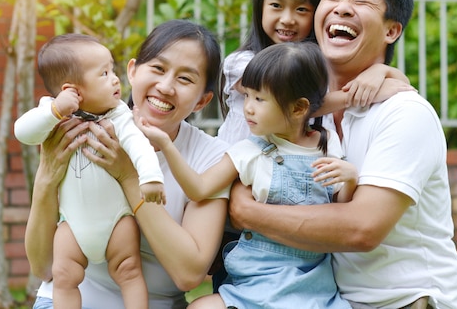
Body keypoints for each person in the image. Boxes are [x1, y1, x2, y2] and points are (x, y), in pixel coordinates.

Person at [228, 0, 457, 309]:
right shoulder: (304, 115)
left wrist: (247, 213)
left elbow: (362, 228)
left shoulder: (404, 114)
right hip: (325, 299)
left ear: (391, 30)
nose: (342, 9)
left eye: (360, 1)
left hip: (400, 301)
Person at [24, 20, 230, 309]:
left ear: (201, 101)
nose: (166, 86)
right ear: (132, 71)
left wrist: (128, 177)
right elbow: (43, 267)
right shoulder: (78, 129)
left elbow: (189, 273)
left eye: (185, 79)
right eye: (158, 69)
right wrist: (46, 177)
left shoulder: (211, 158)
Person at [135, 42, 354, 309]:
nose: (248, 107)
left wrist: (350, 178)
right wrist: (167, 146)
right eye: (247, 95)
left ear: (298, 109)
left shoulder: (326, 143)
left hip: (312, 282)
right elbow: (199, 189)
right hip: (255, 281)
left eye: (259, 99)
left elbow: (341, 206)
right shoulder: (248, 151)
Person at [16, 34, 165, 309]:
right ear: (73, 90)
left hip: (117, 219)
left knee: (129, 271)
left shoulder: (118, 114)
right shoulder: (53, 114)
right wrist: (55, 112)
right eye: (104, 73)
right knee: (64, 275)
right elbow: (23, 132)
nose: (115, 79)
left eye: (113, 70)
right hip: (72, 223)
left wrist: (151, 177)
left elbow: (137, 144)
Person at [217, 0, 412, 146]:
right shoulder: (243, 62)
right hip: (236, 164)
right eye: (276, 5)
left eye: (301, 9)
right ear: (260, 6)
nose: (287, 20)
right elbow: (284, 99)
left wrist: (381, 71)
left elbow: (401, 86)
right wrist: (353, 96)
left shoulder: (319, 68)